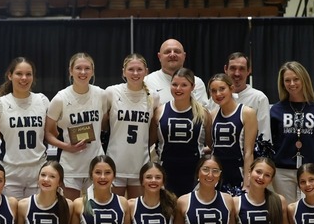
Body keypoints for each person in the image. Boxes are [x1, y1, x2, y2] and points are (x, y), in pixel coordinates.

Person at [0, 57, 50, 199]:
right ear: (10, 75)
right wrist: (4, 134)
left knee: (34, 219)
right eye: (19, 73)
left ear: (33, 76)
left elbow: (50, 131)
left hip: (38, 171)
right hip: (10, 172)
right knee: (13, 219)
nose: (24, 78)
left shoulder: (42, 100)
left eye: (28, 74)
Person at [45, 52, 108, 200]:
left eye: (87, 68)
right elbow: (48, 133)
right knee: (71, 209)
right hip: (71, 164)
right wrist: (66, 146)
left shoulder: (101, 94)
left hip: (96, 162)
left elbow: (104, 123)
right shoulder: (60, 98)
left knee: (95, 211)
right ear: (71, 71)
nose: (83, 72)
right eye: (78, 68)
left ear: (92, 71)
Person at [269, 61, 314, 204]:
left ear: (304, 79)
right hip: (283, 169)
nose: (292, 83)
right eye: (287, 80)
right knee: (287, 209)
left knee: (313, 208)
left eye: (296, 79)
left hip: (311, 168)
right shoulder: (276, 109)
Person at [104, 53, 159, 198]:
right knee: (116, 210)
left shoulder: (153, 96)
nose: (135, 73)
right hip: (115, 163)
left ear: (146, 71)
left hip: (141, 164)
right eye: (131, 69)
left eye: (139, 69)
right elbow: (103, 124)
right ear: (123, 71)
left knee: (136, 212)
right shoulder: (111, 92)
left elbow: (153, 131)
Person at [156, 68, 210, 198]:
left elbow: (211, 144)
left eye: (184, 85)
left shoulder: (203, 113)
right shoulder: (160, 111)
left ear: (192, 87)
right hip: (167, 172)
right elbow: (150, 142)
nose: (178, 88)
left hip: (193, 174)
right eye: (174, 84)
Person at [207, 73, 257, 194]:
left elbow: (248, 152)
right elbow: (213, 146)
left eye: (222, 89)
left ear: (231, 88)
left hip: (237, 172)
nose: (218, 94)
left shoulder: (247, 113)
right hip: (217, 174)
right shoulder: (212, 115)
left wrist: (247, 182)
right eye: (213, 91)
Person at [143, 39, 210, 108]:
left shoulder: (197, 83)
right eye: (167, 52)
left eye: (177, 51)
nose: (172, 54)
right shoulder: (147, 81)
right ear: (159, 57)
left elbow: (204, 115)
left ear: (184, 56)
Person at [224, 52, 271, 142]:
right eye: (233, 68)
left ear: (249, 70)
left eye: (241, 69)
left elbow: (264, 136)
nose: (237, 73)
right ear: (226, 69)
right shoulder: (217, 97)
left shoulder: (259, 98)